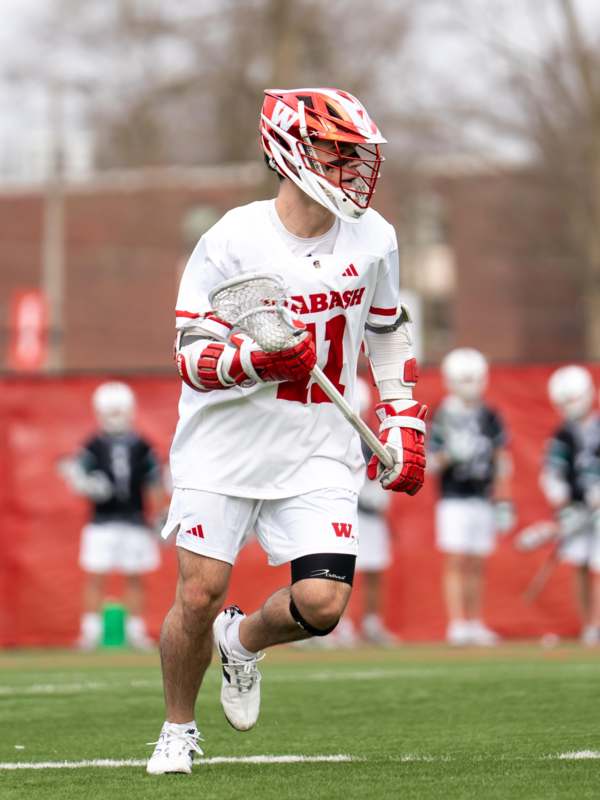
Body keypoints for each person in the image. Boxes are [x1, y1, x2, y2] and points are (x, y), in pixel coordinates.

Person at [146, 87, 427, 775]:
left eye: (356, 154)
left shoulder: (375, 237)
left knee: (323, 604)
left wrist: (403, 419)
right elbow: (189, 357)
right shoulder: (231, 240)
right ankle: (177, 728)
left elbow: (387, 335)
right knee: (198, 593)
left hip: (319, 443)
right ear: (289, 151)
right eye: (338, 152)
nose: (352, 167)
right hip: (227, 441)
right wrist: (256, 359)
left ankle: (241, 643)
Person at [60, 381, 165, 651]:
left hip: (135, 519)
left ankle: (136, 630)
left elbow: (154, 480)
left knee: (135, 576)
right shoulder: (93, 444)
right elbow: (76, 472)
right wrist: (85, 483)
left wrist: (160, 512)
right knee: (96, 575)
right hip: (101, 521)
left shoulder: (141, 444)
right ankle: (90, 632)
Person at [428, 348, 514, 646]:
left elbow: (502, 458)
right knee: (456, 559)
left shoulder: (489, 415)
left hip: (482, 495)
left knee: (477, 561)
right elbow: (428, 461)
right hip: (453, 496)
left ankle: (475, 622)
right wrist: (449, 455)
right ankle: (457, 623)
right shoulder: (442, 414)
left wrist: (505, 501)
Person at [334, 377, 397, 647]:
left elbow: (383, 469)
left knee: (373, 569)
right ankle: (340, 624)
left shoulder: (372, 435)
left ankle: (371, 624)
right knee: (340, 570)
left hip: (370, 513)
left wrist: (381, 494)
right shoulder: (334, 437)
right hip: (342, 509)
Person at [541, 365, 600, 645]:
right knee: (579, 563)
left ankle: (598, 624)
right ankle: (588, 625)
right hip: (578, 510)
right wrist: (562, 503)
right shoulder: (561, 435)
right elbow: (553, 473)